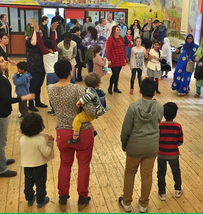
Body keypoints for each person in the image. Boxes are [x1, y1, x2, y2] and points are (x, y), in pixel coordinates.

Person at [47, 59, 97, 211]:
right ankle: (82, 197)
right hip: (82, 132)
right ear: (70, 72)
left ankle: (63, 196)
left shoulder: (50, 88)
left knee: (65, 164)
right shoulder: (77, 89)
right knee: (83, 165)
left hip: (62, 131)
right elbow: (92, 111)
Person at [118, 78, 164, 213]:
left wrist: (124, 142)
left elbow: (126, 128)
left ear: (139, 90)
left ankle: (126, 203)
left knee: (130, 173)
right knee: (147, 175)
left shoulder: (133, 107)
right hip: (151, 147)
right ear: (154, 92)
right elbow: (158, 122)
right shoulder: (160, 107)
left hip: (134, 146)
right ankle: (144, 204)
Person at [0, 54, 34, 178]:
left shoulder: (0, 76)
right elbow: (6, 99)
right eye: (2, 61)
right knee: (1, 142)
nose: (6, 62)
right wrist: (23, 97)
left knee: (2, 141)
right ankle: (1, 169)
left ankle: (2, 160)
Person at [19, 113, 54, 208]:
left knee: (28, 183)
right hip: (40, 166)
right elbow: (46, 152)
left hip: (27, 166)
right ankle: (41, 200)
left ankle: (30, 199)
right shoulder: (40, 139)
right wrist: (50, 142)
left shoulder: (22, 139)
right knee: (40, 184)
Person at [68, 72, 109, 144]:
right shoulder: (100, 91)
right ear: (99, 84)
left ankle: (75, 137)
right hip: (96, 112)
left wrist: (80, 101)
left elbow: (87, 97)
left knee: (77, 119)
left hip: (91, 113)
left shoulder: (90, 91)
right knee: (86, 119)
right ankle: (93, 131)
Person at [157, 102, 183, 201]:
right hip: (174, 155)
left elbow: (157, 139)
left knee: (161, 173)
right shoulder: (178, 126)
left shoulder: (159, 125)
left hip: (161, 154)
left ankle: (162, 192)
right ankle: (177, 190)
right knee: (176, 172)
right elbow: (180, 141)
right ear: (175, 114)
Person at [36, 23, 59, 115]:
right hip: (58, 74)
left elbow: (40, 43)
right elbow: (54, 42)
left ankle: (53, 109)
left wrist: (37, 33)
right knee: (58, 93)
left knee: (51, 93)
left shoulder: (45, 53)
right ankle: (58, 109)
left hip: (50, 75)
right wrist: (53, 31)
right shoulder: (56, 52)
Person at [26, 24, 49, 112]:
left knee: (39, 85)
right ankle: (30, 104)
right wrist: (35, 32)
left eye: (41, 33)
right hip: (33, 66)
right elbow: (34, 43)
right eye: (38, 33)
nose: (40, 34)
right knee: (33, 86)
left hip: (42, 67)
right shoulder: (29, 41)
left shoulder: (43, 42)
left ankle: (38, 101)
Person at [106, 25, 126, 95]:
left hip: (120, 58)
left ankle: (115, 87)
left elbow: (123, 48)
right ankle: (110, 87)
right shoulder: (110, 39)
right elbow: (108, 50)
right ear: (113, 31)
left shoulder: (120, 38)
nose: (119, 31)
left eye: (119, 30)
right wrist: (108, 59)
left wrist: (124, 58)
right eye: (117, 30)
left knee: (118, 74)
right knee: (115, 74)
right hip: (114, 59)